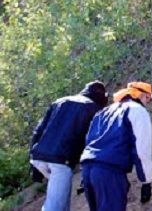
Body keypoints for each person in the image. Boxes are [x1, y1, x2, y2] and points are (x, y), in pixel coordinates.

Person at [30, 81, 109, 211]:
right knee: (55, 207)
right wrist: (86, 175)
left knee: (60, 205)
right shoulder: (92, 108)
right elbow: (92, 141)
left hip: (39, 157)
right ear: (100, 96)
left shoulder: (59, 101)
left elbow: (38, 131)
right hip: (61, 161)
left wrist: (32, 161)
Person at [80, 82, 152, 211]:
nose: (147, 102)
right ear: (141, 95)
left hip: (88, 168)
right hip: (109, 170)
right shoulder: (137, 110)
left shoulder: (103, 112)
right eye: (148, 98)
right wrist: (146, 181)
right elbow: (141, 149)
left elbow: (89, 140)